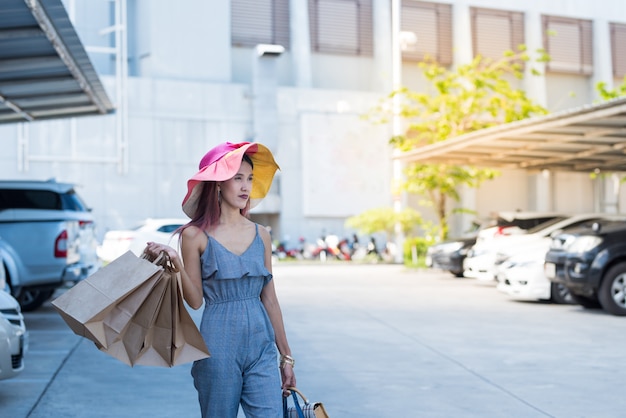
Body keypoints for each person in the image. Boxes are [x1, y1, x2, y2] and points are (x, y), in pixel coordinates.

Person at [144, 141, 295, 417]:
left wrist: (286, 357)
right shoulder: (195, 236)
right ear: (217, 184)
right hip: (218, 344)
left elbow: (270, 300)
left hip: (261, 347)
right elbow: (195, 300)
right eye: (237, 178)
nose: (245, 186)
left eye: (249, 178)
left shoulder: (262, 234)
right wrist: (176, 263)